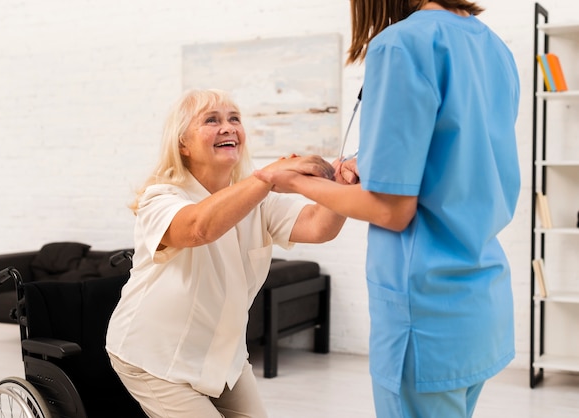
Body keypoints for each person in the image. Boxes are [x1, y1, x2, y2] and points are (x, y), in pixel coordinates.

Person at [254, 1, 521, 417]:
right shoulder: (494, 48)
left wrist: (296, 182)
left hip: (425, 315)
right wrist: (375, 165)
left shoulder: (400, 45)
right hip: (481, 303)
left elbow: (391, 211)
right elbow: (457, 162)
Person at [105, 88, 346, 418]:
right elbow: (198, 227)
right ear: (183, 145)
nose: (228, 127)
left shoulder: (257, 196)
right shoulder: (160, 197)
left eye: (234, 119)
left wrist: (342, 188)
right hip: (157, 356)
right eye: (211, 120)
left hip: (222, 356)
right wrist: (268, 177)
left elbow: (319, 226)